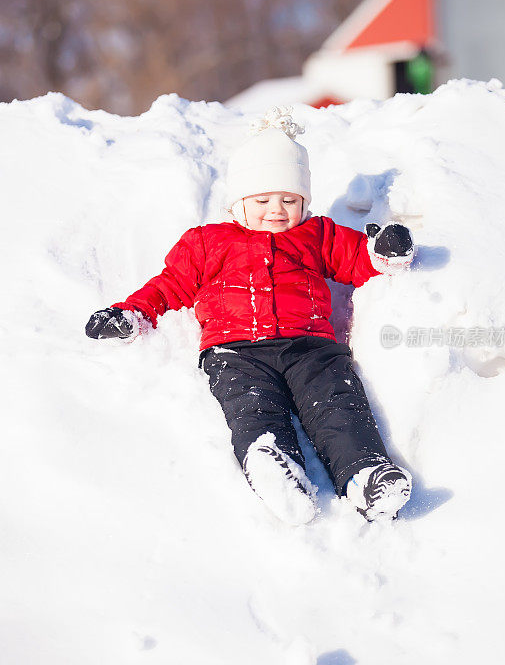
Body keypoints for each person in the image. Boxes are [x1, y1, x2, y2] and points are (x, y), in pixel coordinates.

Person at [85, 106, 415, 526]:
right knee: (252, 408)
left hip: (310, 347)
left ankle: (366, 475)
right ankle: (274, 465)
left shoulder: (316, 234)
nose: (276, 210)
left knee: (336, 403)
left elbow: (355, 260)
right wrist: (129, 313)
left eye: (289, 200)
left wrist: (383, 250)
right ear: (238, 201)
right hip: (235, 350)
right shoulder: (208, 242)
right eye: (262, 200)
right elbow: (170, 285)